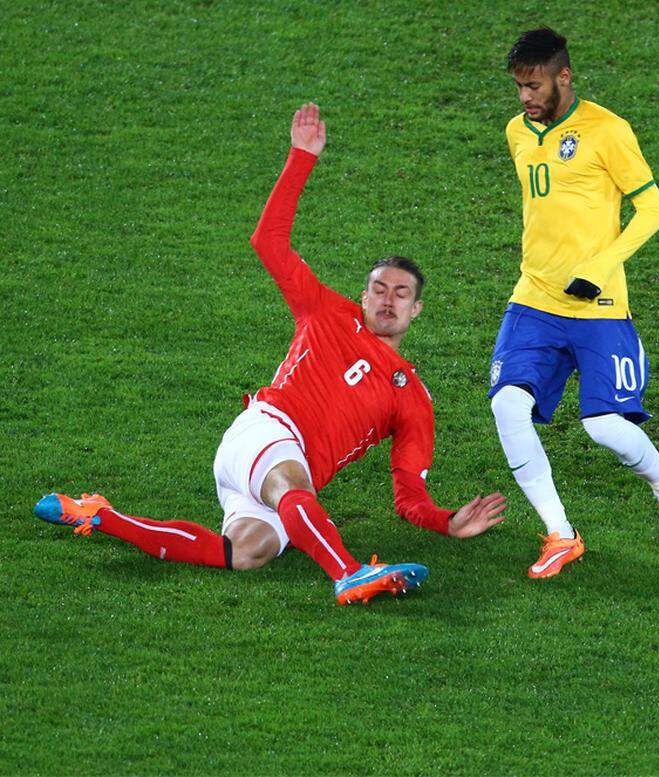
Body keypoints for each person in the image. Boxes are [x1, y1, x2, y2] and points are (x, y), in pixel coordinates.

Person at [35, 104, 506, 605]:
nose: (389, 299)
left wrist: (445, 522)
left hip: (276, 472)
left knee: (247, 552)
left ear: (417, 310)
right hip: (269, 433)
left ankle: (98, 515)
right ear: (363, 296)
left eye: (402, 293)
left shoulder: (412, 397)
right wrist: (301, 157)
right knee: (291, 486)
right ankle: (347, 572)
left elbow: (408, 493)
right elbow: (269, 240)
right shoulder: (326, 310)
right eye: (379, 289)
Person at [488, 28, 659, 580]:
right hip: (533, 297)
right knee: (507, 404)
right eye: (519, 87)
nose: (525, 97)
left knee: (603, 425)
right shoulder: (517, 132)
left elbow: (652, 210)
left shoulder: (608, 131)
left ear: (563, 76)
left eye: (534, 85)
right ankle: (560, 533)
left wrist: (599, 267)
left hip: (599, 305)